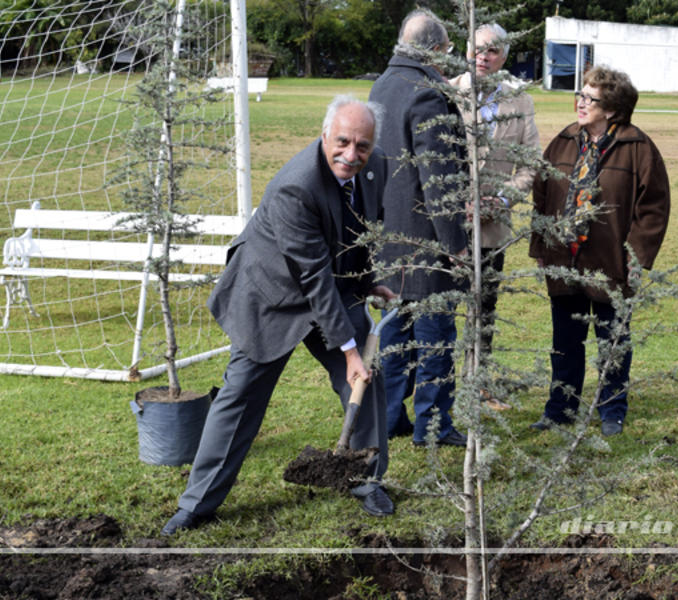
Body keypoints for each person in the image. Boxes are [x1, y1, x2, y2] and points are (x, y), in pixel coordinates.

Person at [161, 95, 397, 536]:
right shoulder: (297, 184)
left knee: (369, 380)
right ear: (324, 135)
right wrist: (348, 351)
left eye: (362, 146)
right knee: (241, 395)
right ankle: (196, 504)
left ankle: (366, 479)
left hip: (332, 286)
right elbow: (311, 275)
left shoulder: (375, 166)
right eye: (342, 142)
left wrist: (367, 283)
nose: (352, 154)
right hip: (272, 293)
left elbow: (359, 233)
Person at [529, 66, 670, 436]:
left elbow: (653, 209)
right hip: (564, 260)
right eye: (580, 94)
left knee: (613, 343)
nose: (580, 102)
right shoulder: (562, 141)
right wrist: (540, 246)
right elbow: (541, 198)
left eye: (590, 98)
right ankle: (560, 409)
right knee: (565, 342)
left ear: (612, 109)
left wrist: (635, 258)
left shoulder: (638, 148)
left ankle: (611, 411)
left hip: (611, 264)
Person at [368, 9, 469, 447]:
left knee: (394, 336)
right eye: (445, 52)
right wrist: (456, 245)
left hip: (387, 238)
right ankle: (433, 425)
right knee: (435, 339)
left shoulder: (382, 85)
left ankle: (390, 417)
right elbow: (439, 180)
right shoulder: (427, 93)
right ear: (434, 49)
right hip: (425, 243)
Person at [449, 23, 541, 410]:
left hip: (492, 228)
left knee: (484, 309)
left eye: (493, 51)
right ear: (467, 50)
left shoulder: (520, 101)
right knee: (436, 312)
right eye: (478, 49)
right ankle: (432, 394)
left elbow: (530, 163)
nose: (484, 57)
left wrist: (501, 201)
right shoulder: (447, 93)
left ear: (504, 57)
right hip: (447, 225)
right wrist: (457, 202)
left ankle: (478, 387)